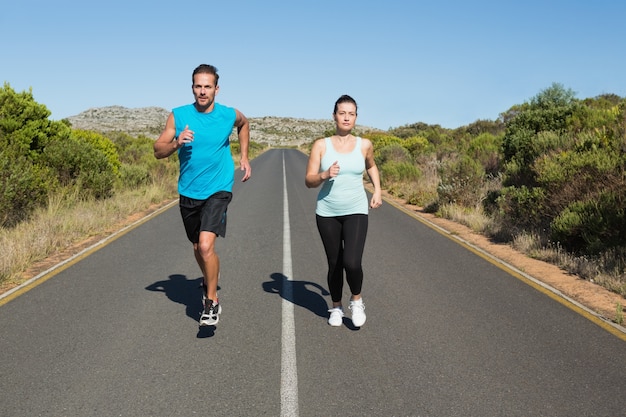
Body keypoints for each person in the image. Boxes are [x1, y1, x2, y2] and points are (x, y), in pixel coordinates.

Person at [154, 64, 251, 326]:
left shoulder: (228, 114)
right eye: (198, 86)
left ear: (216, 89)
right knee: (197, 247)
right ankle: (210, 278)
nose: (203, 91)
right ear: (192, 87)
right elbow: (158, 149)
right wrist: (176, 143)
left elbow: (244, 124)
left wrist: (243, 156)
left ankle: (211, 301)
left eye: (208, 86)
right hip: (189, 191)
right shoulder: (179, 115)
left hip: (219, 188)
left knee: (207, 246)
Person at [305, 94, 382, 327]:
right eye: (342, 113)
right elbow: (309, 180)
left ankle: (356, 300)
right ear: (334, 116)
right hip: (327, 212)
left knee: (352, 262)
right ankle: (336, 307)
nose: (346, 117)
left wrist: (377, 190)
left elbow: (371, 166)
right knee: (335, 263)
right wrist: (324, 175)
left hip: (356, 209)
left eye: (351, 113)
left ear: (356, 117)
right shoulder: (321, 145)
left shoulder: (364, 144)